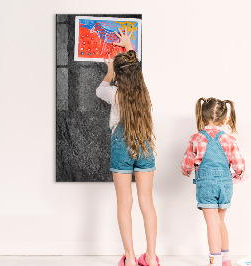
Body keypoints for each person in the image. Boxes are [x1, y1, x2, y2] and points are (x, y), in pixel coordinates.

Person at [96, 28, 160, 266]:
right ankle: (151, 258)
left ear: (119, 77)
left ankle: (131, 259)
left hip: (122, 147)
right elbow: (136, 70)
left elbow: (99, 90)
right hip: (144, 146)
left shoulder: (114, 94)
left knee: (124, 203)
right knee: (147, 202)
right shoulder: (144, 93)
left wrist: (110, 70)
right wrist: (129, 46)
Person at [181, 98, 246, 266]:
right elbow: (239, 165)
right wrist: (238, 176)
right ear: (224, 120)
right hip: (225, 185)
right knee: (220, 222)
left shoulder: (196, 138)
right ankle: (226, 260)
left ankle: (215, 261)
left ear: (202, 117)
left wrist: (187, 171)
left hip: (206, 186)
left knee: (212, 224)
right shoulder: (229, 139)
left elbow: (186, 164)